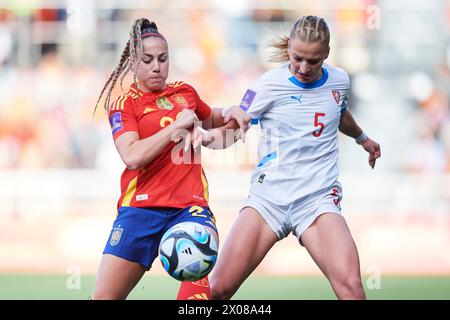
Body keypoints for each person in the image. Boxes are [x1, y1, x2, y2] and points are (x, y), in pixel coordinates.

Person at [203, 15, 380, 300]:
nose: (303, 68)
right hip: (268, 200)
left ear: (327, 55)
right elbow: (233, 130)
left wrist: (362, 138)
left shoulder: (340, 81)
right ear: (289, 50)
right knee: (218, 290)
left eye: (314, 61)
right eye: (298, 58)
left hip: (317, 200)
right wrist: (204, 140)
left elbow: (338, 113)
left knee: (352, 288)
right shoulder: (265, 86)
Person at [91, 18, 250, 300]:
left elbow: (213, 120)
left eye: (163, 59)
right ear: (133, 63)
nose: (157, 66)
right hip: (140, 212)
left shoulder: (184, 93)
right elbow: (132, 156)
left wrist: (233, 115)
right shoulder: (124, 104)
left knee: (194, 304)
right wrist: (174, 128)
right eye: (148, 59)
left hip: (189, 212)